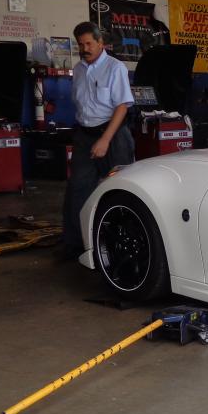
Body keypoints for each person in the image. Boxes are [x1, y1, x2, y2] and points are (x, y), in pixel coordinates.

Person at [61, 21, 135, 258]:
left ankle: (122, 245)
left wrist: (104, 140)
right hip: (85, 136)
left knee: (121, 190)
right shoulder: (79, 70)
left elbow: (122, 107)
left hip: (113, 136)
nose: (85, 48)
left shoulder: (115, 68)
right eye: (80, 44)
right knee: (77, 190)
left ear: (100, 42)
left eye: (89, 43)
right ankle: (76, 246)